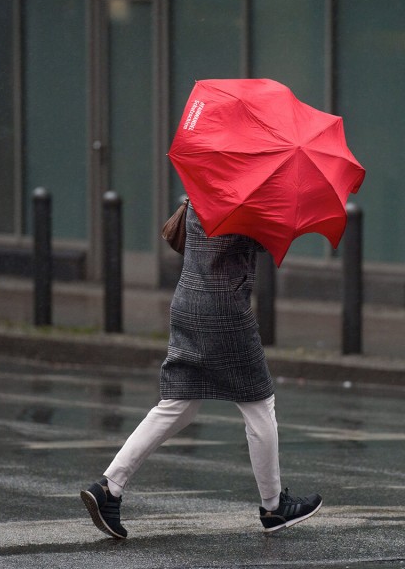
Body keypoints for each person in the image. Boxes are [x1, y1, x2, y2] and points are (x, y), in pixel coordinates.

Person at [80, 202, 322, 539]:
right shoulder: (244, 200)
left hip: (187, 304)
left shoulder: (203, 187)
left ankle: (109, 487)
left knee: (179, 404)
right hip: (224, 311)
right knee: (259, 403)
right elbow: (268, 241)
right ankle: (273, 506)